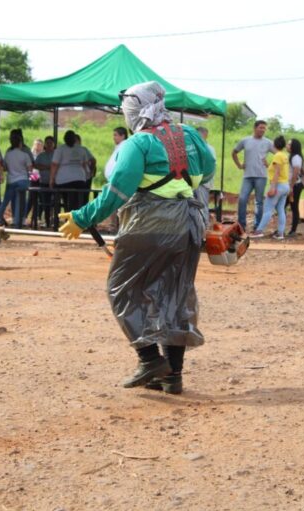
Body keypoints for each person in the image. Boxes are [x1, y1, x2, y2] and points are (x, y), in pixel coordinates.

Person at [58, 81, 215, 394]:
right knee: (175, 293)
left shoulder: (137, 144)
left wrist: (81, 218)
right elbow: (208, 171)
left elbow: (116, 192)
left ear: (135, 111)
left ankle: (149, 359)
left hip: (149, 224)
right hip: (189, 224)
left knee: (123, 289)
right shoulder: (191, 135)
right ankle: (173, 376)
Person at [232, 120, 275, 231]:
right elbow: (234, 152)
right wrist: (239, 165)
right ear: (255, 128)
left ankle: (257, 226)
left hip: (261, 176)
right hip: (247, 176)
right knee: (242, 199)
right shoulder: (245, 141)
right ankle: (241, 225)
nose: (263, 130)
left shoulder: (268, 142)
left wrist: (270, 164)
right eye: (261, 127)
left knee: (259, 201)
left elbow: (279, 155)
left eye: (264, 128)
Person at [250, 135, 290, 240]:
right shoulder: (284, 155)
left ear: (274, 145)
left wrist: (272, 187)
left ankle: (259, 231)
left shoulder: (277, 156)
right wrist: (268, 165)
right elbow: (278, 170)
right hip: (285, 185)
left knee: (267, 209)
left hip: (278, 185)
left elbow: (276, 173)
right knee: (280, 209)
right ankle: (280, 233)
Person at [50, 130, 88, 222]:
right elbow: (85, 164)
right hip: (80, 179)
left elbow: (54, 165)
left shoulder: (60, 149)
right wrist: (86, 177)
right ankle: (78, 220)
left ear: (64, 139)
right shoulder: (81, 149)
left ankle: (69, 218)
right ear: (75, 139)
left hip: (64, 180)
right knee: (79, 201)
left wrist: (51, 179)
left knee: (66, 200)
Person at [0, 130, 32, 228]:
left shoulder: (8, 154)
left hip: (11, 180)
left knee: (6, 201)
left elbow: (5, 168)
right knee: (20, 200)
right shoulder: (25, 155)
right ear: (20, 143)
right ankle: (18, 221)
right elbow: (30, 169)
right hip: (23, 180)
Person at [103, 126, 128, 233]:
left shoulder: (125, 146)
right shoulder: (119, 146)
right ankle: (114, 226)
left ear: (123, 136)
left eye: (116, 135)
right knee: (113, 203)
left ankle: (119, 226)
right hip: (114, 180)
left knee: (118, 203)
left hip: (120, 180)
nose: (114, 137)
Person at [195, 126, 217, 227]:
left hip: (202, 182)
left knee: (202, 205)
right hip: (197, 181)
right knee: (200, 204)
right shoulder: (209, 148)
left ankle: (204, 228)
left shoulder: (207, 149)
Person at [34, 135, 55, 228]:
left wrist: (50, 168)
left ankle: (54, 221)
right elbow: (36, 165)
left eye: (51, 143)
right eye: (47, 143)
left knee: (54, 203)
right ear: (45, 144)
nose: (49, 144)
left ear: (54, 144)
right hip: (43, 182)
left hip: (55, 183)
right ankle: (47, 221)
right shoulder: (41, 155)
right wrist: (47, 167)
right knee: (45, 203)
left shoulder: (57, 154)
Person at [286, 138, 304, 237]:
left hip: (294, 185)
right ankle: (289, 229)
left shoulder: (295, 157)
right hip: (293, 185)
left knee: (293, 207)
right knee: (286, 206)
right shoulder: (293, 156)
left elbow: (296, 170)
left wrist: (291, 186)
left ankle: (293, 230)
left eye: (289, 144)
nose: (287, 146)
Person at [76, 133, 97, 206]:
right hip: (77, 176)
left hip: (86, 176)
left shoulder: (83, 149)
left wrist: (91, 171)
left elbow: (93, 160)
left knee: (84, 196)